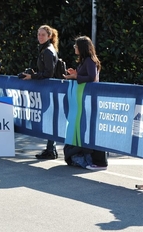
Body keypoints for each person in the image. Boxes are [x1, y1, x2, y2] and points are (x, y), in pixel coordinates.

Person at [63, 36, 107, 170]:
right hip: (83, 100)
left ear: (82, 47)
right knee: (86, 129)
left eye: (76, 46)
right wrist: (76, 73)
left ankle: (100, 162)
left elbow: (92, 77)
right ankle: (94, 159)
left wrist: (76, 76)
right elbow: (86, 75)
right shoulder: (84, 61)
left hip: (90, 100)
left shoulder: (89, 60)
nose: (74, 48)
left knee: (92, 129)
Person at [22, 24, 59, 160]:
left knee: (49, 118)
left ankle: (51, 149)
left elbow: (49, 73)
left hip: (49, 88)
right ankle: (51, 148)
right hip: (49, 88)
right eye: (38, 34)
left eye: (43, 34)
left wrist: (33, 76)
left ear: (49, 36)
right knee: (49, 118)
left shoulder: (48, 51)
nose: (40, 37)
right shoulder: (46, 49)